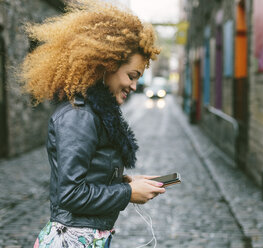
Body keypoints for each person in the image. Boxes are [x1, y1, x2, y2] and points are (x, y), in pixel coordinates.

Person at [19, 1, 165, 247]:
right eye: (131, 76)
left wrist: (126, 183)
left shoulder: (94, 112)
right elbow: (71, 194)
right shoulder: (79, 115)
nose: (134, 86)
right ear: (107, 65)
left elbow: (90, 174)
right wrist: (128, 194)